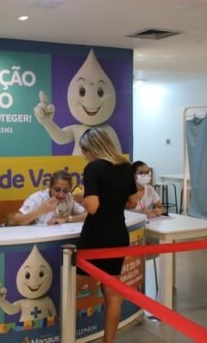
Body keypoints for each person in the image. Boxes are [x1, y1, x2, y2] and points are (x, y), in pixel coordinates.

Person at [77, 127, 137, 343]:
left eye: (84, 151)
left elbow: (92, 207)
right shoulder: (126, 167)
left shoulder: (92, 168)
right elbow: (133, 202)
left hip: (95, 236)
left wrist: (81, 198)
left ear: (91, 149)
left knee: (72, 289)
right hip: (118, 234)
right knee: (112, 295)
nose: (84, 155)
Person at [9, 170, 86, 225]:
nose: (61, 195)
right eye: (57, 190)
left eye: (66, 191)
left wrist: (65, 219)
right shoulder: (37, 198)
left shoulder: (70, 197)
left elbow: (87, 215)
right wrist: (42, 210)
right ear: (50, 187)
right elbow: (13, 221)